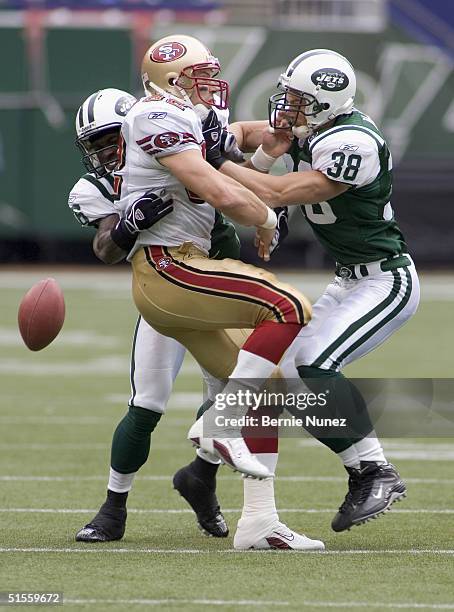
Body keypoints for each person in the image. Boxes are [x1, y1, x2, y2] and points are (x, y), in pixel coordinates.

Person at [69, 86, 324, 550]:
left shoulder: (181, 154)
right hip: (168, 291)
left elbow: (233, 169)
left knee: (245, 391)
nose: (106, 153)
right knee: (146, 403)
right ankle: (113, 507)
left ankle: (202, 480)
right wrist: (128, 225)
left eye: (111, 139)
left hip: (211, 285)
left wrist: (268, 157)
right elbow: (105, 248)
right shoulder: (96, 187)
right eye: (96, 145)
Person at [202, 49, 420, 532]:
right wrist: (226, 139)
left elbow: (278, 193)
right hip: (346, 277)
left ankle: (378, 471)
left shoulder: (352, 143)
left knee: (317, 365)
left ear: (326, 104)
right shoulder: (310, 126)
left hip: (385, 279)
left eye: (299, 100)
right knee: (291, 379)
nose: (287, 107)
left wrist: (212, 159)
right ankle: (366, 470)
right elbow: (239, 131)